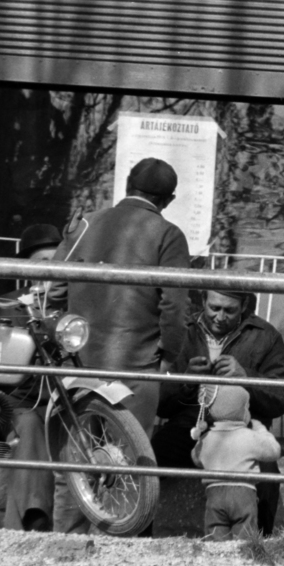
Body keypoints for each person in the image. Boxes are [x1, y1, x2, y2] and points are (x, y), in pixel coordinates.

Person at [47, 157, 192, 532]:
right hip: (137, 367)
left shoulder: (84, 225)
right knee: (127, 465)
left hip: (79, 364)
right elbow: (174, 306)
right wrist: (169, 354)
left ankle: (65, 549)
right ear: (169, 199)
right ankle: (114, 557)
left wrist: (69, 339)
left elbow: (55, 288)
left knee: (76, 463)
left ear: (127, 184)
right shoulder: (167, 234)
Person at [152, 288, 284, 534]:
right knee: (149, 459)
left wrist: (246, 377)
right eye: (214, 308)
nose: (220, 317)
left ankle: (260, 547)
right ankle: (138, 540)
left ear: (244, 306)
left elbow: (283, 397)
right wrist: (187, 380)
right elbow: (160, 402)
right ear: (203, 300)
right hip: (192, 427)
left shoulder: (265, 335)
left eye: (229, 310)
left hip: (242, 428)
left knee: (268, 476)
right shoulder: (184, 332)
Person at [0, 223, 63, 533]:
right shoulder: (9, 306)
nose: (50, 270)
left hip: (60, 404)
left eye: (57, 262)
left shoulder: (71, 305)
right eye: (42, 263)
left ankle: (24, 525)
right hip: (18, 404)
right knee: (32, 427)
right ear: (28, 268)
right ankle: (31, 522)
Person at [190, 384, 282, 541]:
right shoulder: (250, 437)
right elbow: (274, 451)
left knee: (215, 538)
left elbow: (196, 458)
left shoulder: (207, 439)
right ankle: (242, 561)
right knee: (244, 538)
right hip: (243, 493)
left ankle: (218, 562)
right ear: (242, 411)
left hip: (214, 494)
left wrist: (202, 439)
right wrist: (260, 429)